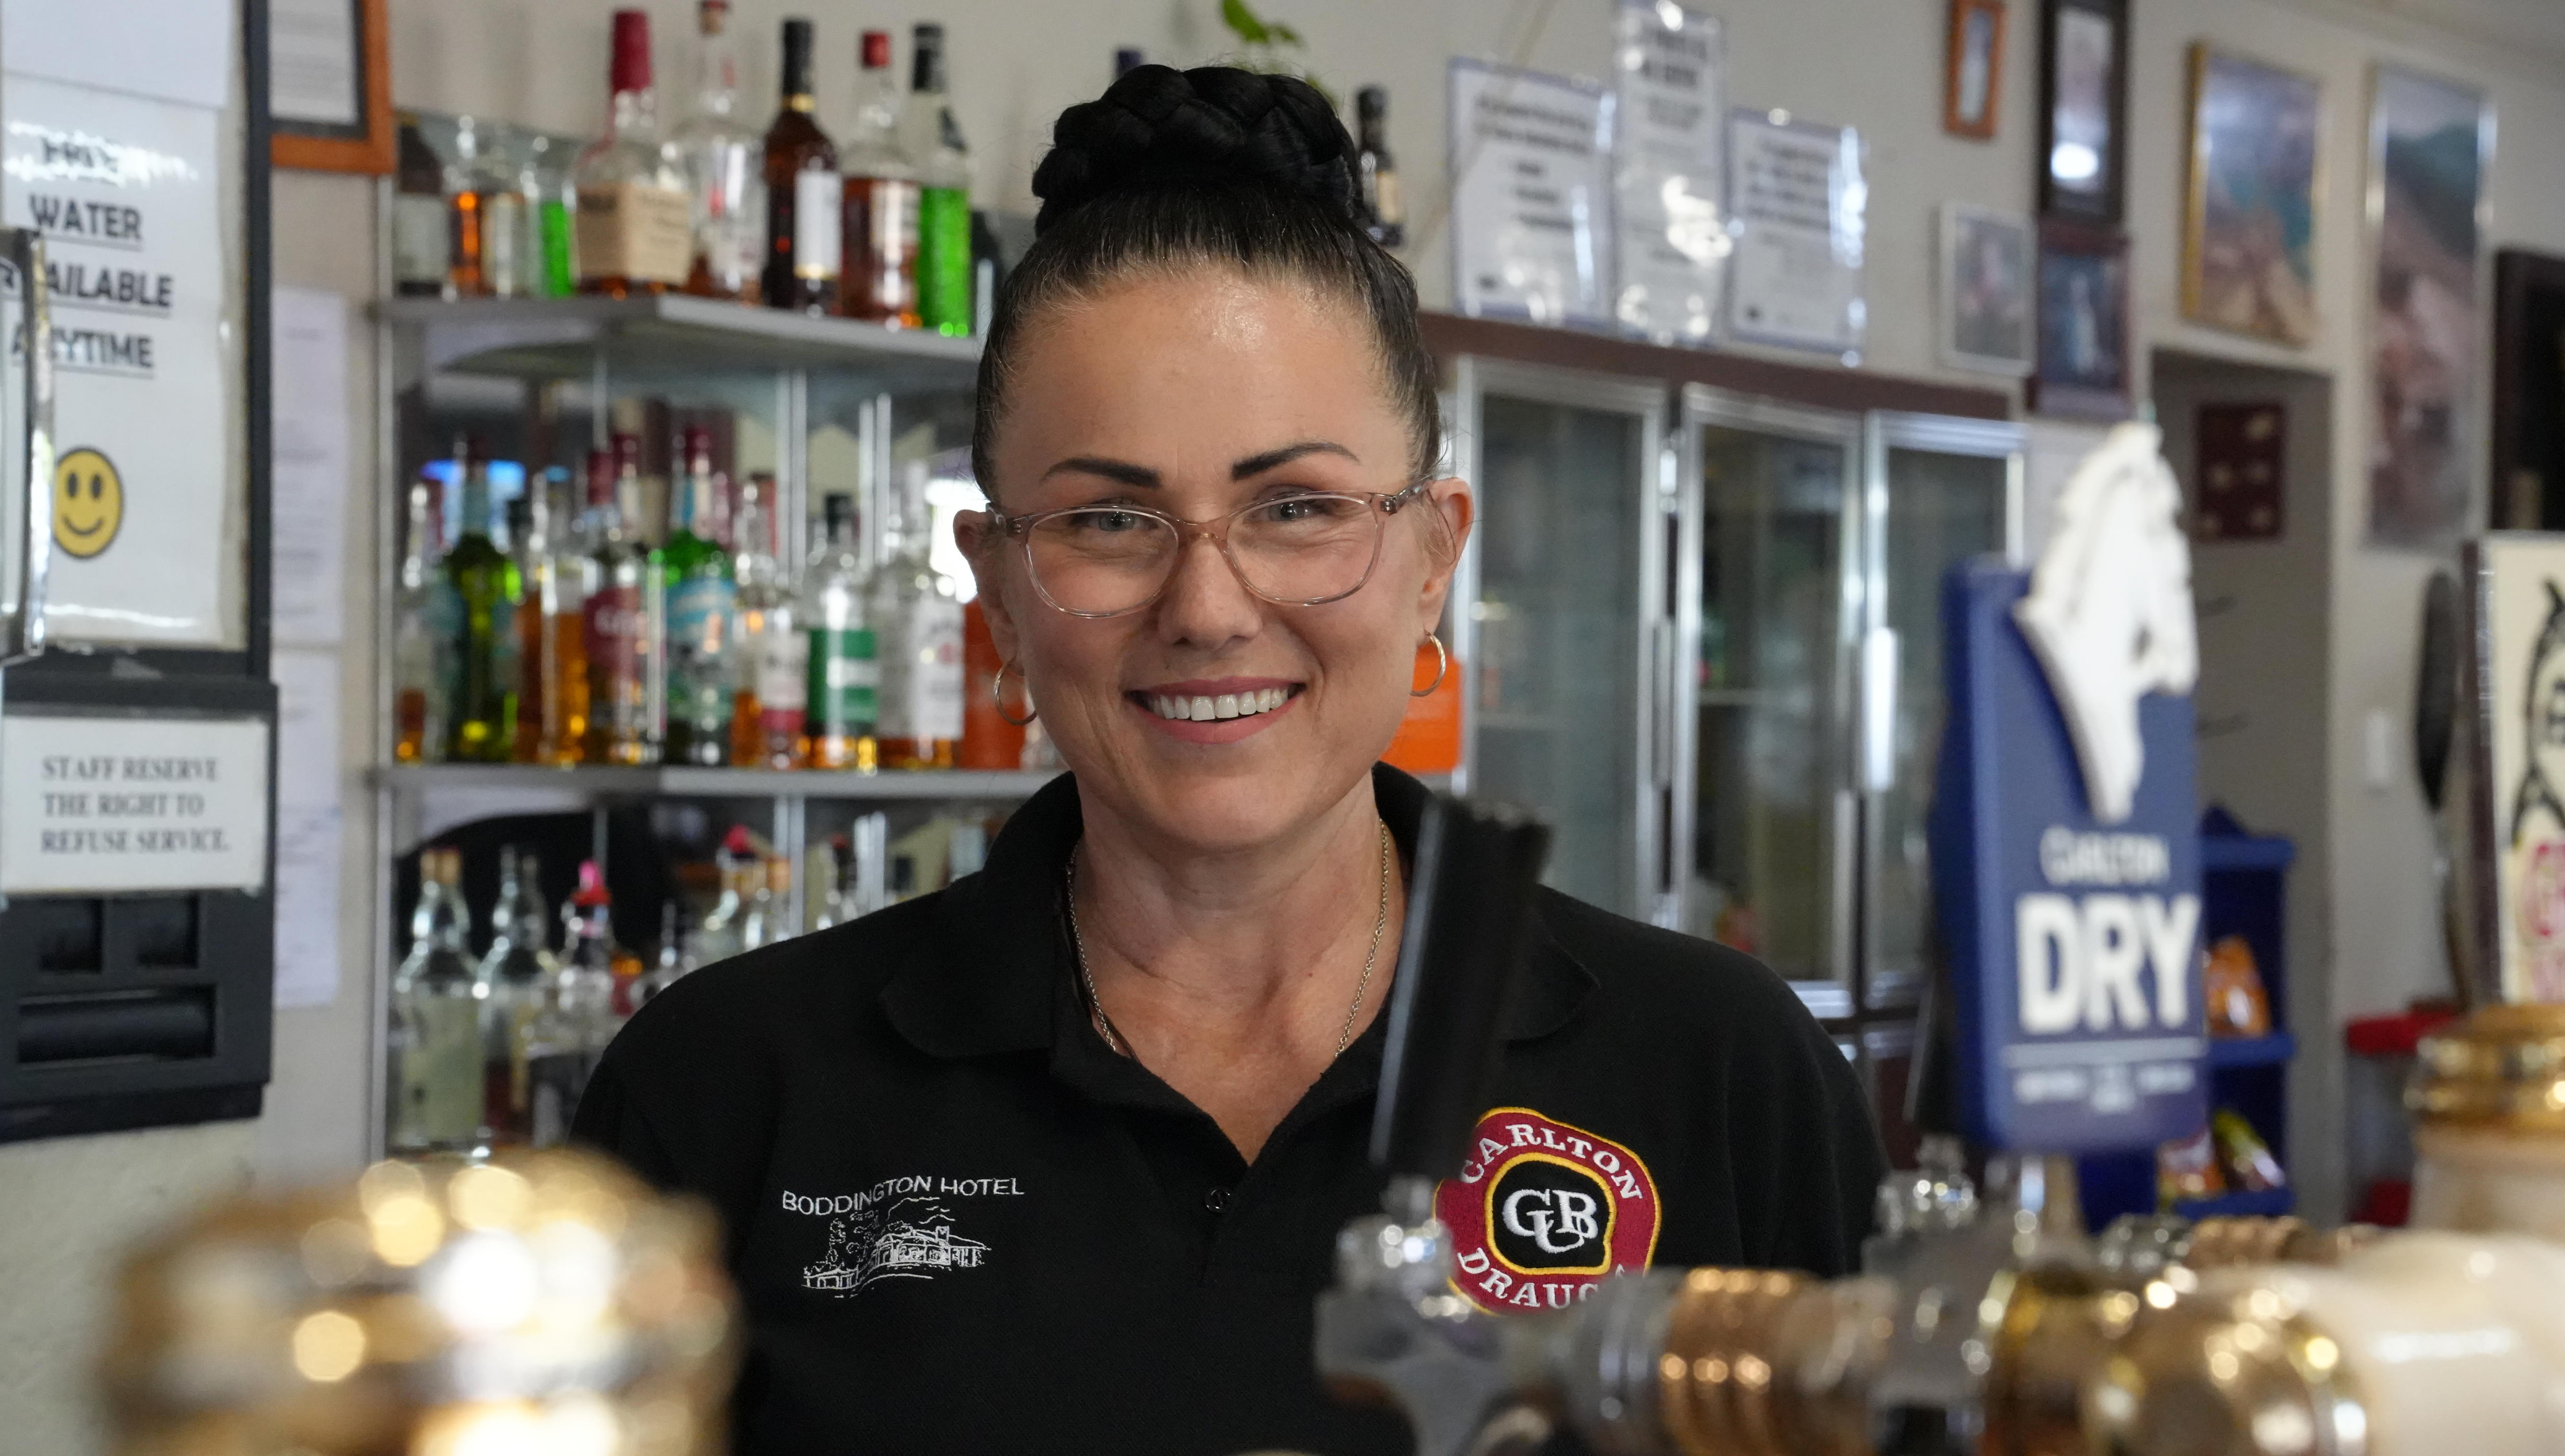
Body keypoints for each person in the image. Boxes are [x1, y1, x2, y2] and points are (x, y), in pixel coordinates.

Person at [571, 63, 1884, 1456]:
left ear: (1432, 557)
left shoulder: (1722, 1071)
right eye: (1110, 521)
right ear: (998, 587)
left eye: (1298, 507)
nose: (1206, 609)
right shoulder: (721, 1095)